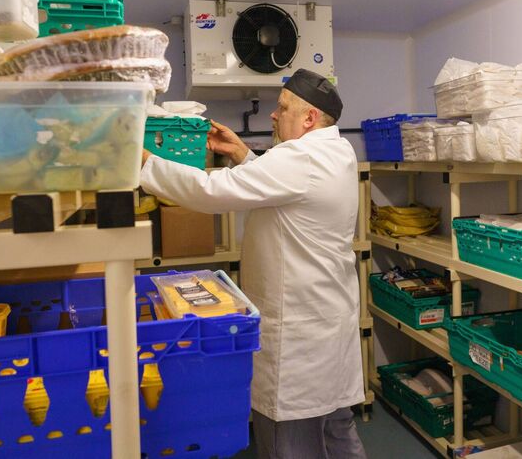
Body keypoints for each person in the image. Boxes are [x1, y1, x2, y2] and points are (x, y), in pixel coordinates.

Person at [139, 69, 367, 459]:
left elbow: (211, 191)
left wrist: (143, 162)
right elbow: (284, 187)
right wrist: (243, 155)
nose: (274, 115)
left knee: (289, 442)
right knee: (335, 429)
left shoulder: (301, 158)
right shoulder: (337, 150)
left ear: (309, 118)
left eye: (283, 108)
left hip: (298, 334)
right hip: (328, 319)